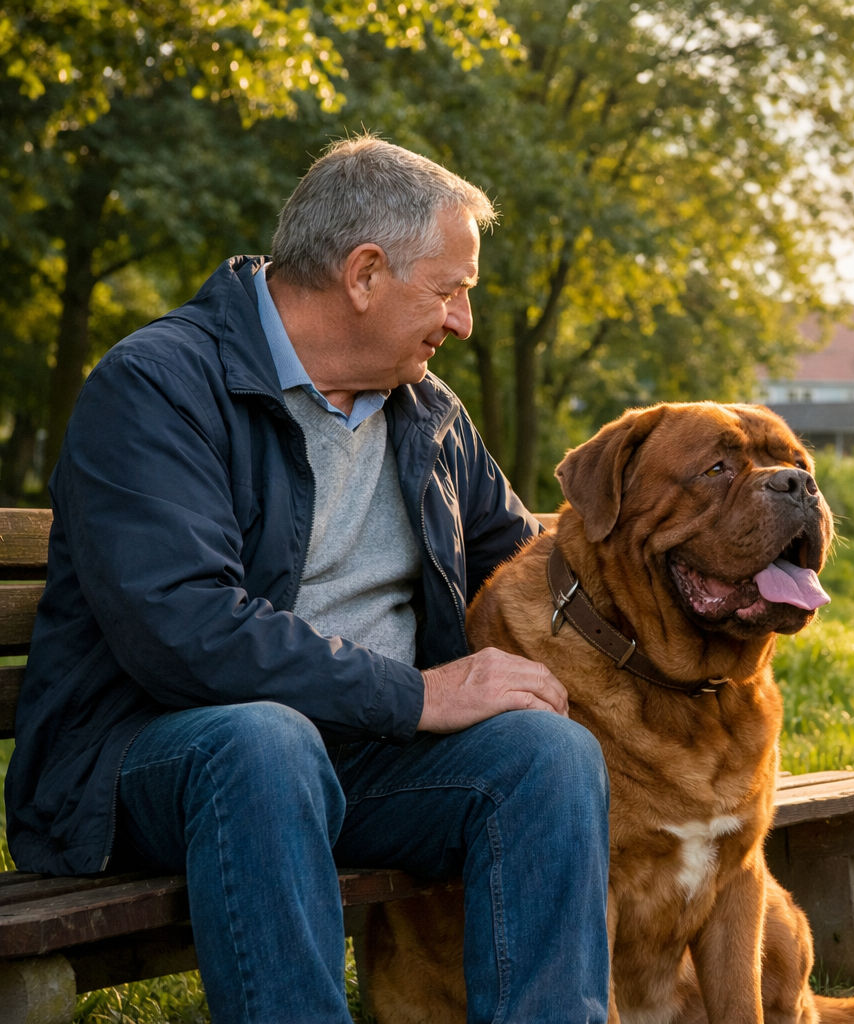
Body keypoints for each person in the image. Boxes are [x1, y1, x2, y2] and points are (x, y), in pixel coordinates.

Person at [3, 134, 610, 1023]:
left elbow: (528, 567)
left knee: (548, 757)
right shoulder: (159, 387)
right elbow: (188, 632)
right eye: (450, 291)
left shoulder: (430, 417)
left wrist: (698, 571)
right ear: (364, 275)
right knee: (264, 741)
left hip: (361, 759)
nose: (463, 322)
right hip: (143, 764)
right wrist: (416, 694)